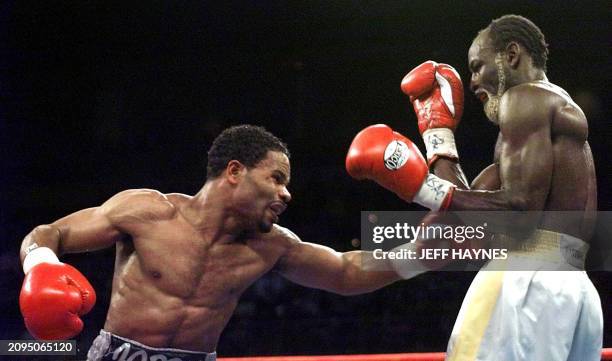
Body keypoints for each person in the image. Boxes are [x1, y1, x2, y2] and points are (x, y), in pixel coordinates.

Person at [19, 125, 402, 361]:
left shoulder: (271, 245)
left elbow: (346, 270)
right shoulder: (148, 211)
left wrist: (429, 250)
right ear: (235, 171)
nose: (286, 194)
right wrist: (41, 265)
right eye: (276, 178)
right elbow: (50, 233)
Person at [346, 14, 603, 361]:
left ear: (511, 55)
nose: (472, 81)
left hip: (523, 282)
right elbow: (469, 212)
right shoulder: (547, 116)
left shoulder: (524, 99)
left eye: (478, 66)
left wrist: (421, 188)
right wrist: (437, 134)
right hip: (576, 293)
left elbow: (520, 212)